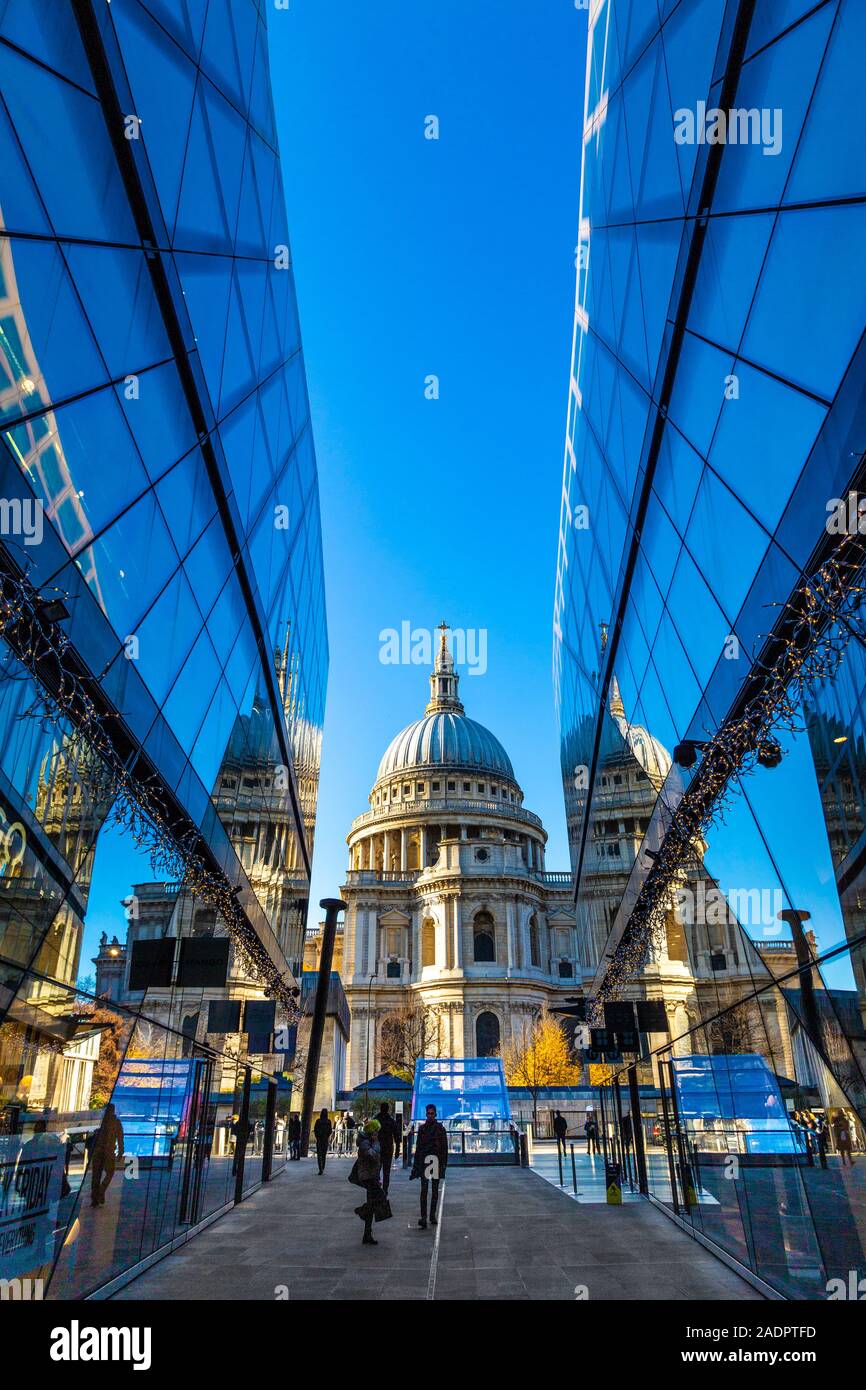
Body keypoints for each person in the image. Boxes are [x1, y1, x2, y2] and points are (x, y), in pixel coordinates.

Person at [410, 1103, 448, 1228]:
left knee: (431, 1190)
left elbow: (444, 1148)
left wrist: (443, 1164)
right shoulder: (433, 1129)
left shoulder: (432, 1129)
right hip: (429, 1160)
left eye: (432, 1113)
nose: (430, 1115)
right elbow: (419, 1147)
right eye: (429, 1113)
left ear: (435, 1114)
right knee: (426, 1190)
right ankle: (427, 1216)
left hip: (431, 1160)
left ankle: (429, 1216)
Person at [354, 1119, 384, 1246]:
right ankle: (361, 1210)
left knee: (372, 1202)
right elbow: (373, 1155)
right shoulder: (366, 1143)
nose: (378, 1134)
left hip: (372, 1176)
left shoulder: (367, 1142)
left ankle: (367, 1233)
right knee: (379, 1198)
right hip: (368, 1176)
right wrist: (376, 1143)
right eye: (376, 1131)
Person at [89, 1103, 124, 1206]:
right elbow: (120, 1138)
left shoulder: (100, 1122)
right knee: (109, 1173)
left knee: (96, 1175)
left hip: (98, 1151)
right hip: (108, 1152)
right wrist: (121, 1151)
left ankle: (96, 1196)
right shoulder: (116, 1123)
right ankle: (100, 1192)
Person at [376, 1101, 401, 1196]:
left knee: (376, 1170)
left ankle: (377, 1189)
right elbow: (397, 1135)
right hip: (388, 1148)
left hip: (377, 1149)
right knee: (386, 1172)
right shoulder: (391, 1121)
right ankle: (385, 1190)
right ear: (388, 1109)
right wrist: (398, 1149)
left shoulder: (376, 1120)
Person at [313, 1108, 332, 1174]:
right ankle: (323, 1168)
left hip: (319, 1140)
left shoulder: (318, 1121)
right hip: (325, 1139)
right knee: (324, 1155)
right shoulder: (328, 1121)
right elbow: (330, 1130)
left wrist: (317, 1136)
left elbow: (315, 1129)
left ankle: (320, 1168)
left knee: (319, 1155)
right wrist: (327, 1136)